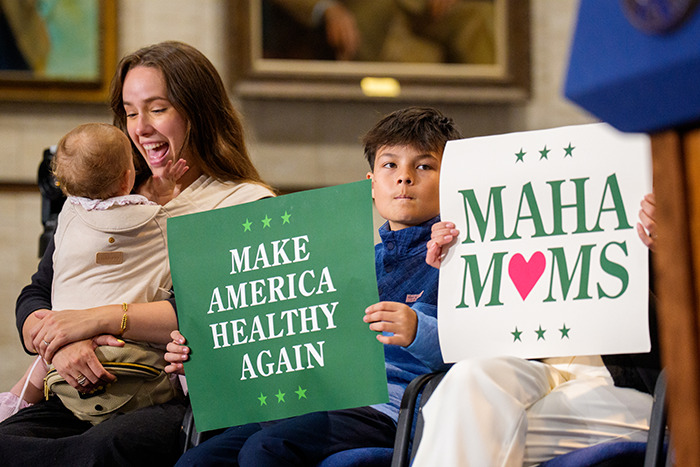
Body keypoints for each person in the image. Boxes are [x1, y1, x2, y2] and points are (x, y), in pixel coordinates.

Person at [0, 41, 274, 466]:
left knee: (100, 452)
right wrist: (56, 343)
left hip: (171, 397)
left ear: (198, 112)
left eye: (157, 108)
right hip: (76, 383)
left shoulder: (243, 204)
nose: (140, 127)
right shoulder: (104, 196)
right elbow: (39, 291)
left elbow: (215, 315)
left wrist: (98, 319)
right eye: (130, 112)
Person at [166, 107, 458, 465]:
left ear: (452, 181)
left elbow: (474, 347)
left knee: (267, 450)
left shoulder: (456, 257)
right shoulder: (343, 262)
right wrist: (206, 359)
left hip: (391, 409)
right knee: (198, 462)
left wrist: (416, 328)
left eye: (424, 166)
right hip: (312, 401)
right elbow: (282, 338)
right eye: (390, 165)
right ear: (370, 182)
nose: (404, 178)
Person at [410, 193, 660, 466]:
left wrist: (668, 252)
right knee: (466, 379)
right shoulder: (521, 194)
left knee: (465, 429)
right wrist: (457, 264)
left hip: (626, 381)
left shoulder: (661, 182)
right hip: (539, 362)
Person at [0, 122, 187, 423]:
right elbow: (35, 292)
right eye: (130, 112)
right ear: (129, 176)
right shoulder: (159, 221)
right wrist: (165, 189)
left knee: (33, 381)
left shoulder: (69, 218)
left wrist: (54, 340)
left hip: (62, 379)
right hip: (135, 367)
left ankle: (14, 401)